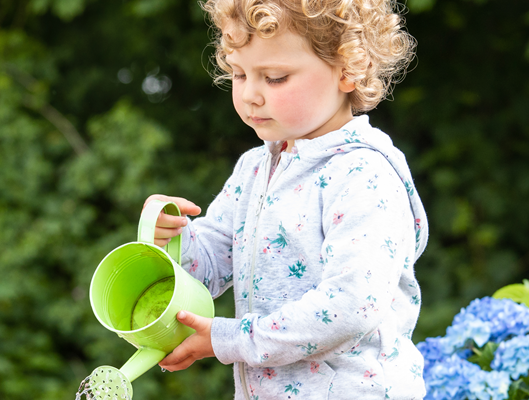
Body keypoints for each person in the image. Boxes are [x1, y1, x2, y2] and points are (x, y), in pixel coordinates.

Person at [146, 0, 428, 398]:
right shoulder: (254, 169)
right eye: (239, 74)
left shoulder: (363, 175)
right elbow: (207, 269)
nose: (250, 96)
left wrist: (229, 339)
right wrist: (171, 237)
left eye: (275, 77)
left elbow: (350, 306)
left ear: (349, 68)